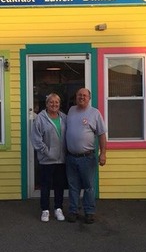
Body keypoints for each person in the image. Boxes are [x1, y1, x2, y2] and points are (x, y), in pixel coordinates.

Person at [65, 87, 107, 224]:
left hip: (87, 157)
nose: (81, 97)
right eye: (79, 95)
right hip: (70, 156)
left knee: (88, 186)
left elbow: (101, 134)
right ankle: (73, 211)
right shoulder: (71, 111)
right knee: (73, 186)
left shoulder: (95, 113)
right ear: (75, 97)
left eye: (84, 95)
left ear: (89, 98)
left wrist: (103, 154)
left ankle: (89, 212)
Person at [29, 93, 67, 222]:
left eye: (57, 102)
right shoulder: (40, 118)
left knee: (59, 185)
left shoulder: (64, 117)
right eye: (51, 102)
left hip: (61, 159)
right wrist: (47, 152)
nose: (54, 104)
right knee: (45, 186)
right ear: (46, 104)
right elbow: (36, 139)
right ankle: (45, 210)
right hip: (47, 160)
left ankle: (58, 208)